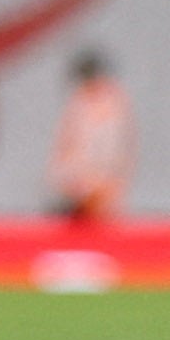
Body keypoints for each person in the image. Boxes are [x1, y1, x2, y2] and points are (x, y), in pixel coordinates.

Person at [50, 50, 132, 222]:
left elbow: (114, 150)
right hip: (78, 186)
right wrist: (69, 179)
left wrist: (103, 184)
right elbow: (67, 145)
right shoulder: (79, 102)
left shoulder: (113, 103)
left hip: (103, 187)